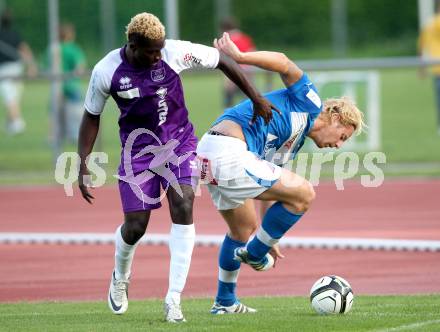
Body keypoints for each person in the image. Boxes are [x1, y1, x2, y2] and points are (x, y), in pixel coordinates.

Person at [77, 13, 276, 323]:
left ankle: (173, 299)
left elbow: (223, 60)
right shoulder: (107, 70)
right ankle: (121, 275)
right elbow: (91, 116)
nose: (158, 55)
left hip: (180, 145)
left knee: (183, 206)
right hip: (137, 152)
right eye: (151, 51)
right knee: (135, 227)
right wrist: (83, 162)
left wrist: (257, 97)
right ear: (132, 45)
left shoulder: (173, 52)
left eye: (160, 49)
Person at [196, 32, 364, 314]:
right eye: (343, 136)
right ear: (335, 117)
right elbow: (285, 63)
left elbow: (266, 189)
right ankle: (255, 255)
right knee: (305, 193)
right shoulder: (310, 104)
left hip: (209, 154)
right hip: (227, 150)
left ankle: (224, 302)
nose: (338, 145)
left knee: (241, 230)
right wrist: (241, 57)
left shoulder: (290, 146)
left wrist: (267, 237)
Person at [0, 8, 36, 134]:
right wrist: (31, 65)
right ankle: (10, 124)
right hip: (17, 68)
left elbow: (23, 49)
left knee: (10, 98)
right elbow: (25, 50)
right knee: (13, 97)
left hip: (4, 70)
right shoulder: (15, 34)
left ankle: (17, 124)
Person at [220, 17, 256, 108]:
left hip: (234, 69)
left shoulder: (227, 39)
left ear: (224, 29)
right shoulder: (245, 38)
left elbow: (225, 57)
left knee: (229, 93)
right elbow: (253, 52)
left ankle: (227, 113)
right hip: (248, 70)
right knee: (248, 94)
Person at [59, 23, 86, 143]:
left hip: (58, 86)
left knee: (58, 113)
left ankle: (57, 136)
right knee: (77, 111)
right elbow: (80, 67)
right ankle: (75, 135)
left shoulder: (55, 48)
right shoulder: (73, 49)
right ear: (70, 35)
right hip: (72, 85)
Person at [418, 3, 440, 135]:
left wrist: (422, 67)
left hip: (435, 68)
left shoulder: (429, 24)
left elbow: (421, 46)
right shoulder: (435, 23)